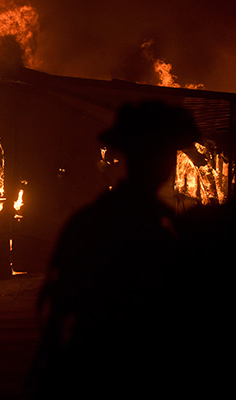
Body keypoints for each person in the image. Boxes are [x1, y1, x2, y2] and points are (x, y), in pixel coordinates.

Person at [26, 101, 200, 399]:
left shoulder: (87, 221)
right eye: (164, 153)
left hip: (94, 366)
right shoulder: (175, 229)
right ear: (164, 163)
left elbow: (56, 309)